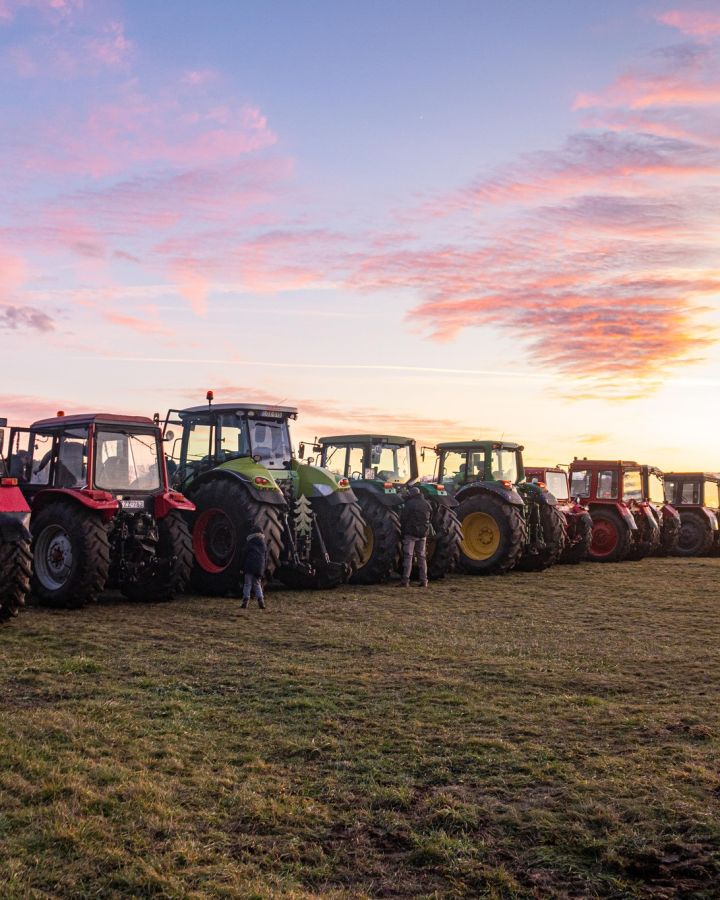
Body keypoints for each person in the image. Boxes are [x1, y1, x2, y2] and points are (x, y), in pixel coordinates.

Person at [398, 486, 432, 587]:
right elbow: (430, 518)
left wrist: (402, 530)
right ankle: (424, 580)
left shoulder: (409, 504)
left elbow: (403, 518)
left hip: (411, 534)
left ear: (411, 494)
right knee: (422, 557)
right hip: (423, 534)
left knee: (408, 557)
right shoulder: (427, 504)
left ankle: (405, 580)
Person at [241, 529, 267, 609]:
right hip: (258, 568)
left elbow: (244, 556)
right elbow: (265, 557)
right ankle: (261, 601)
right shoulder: (263, 544)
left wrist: (241, 567)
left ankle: (245, 602)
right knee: (257, 584)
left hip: (249, 567)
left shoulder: (249, 543)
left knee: (247, 584)